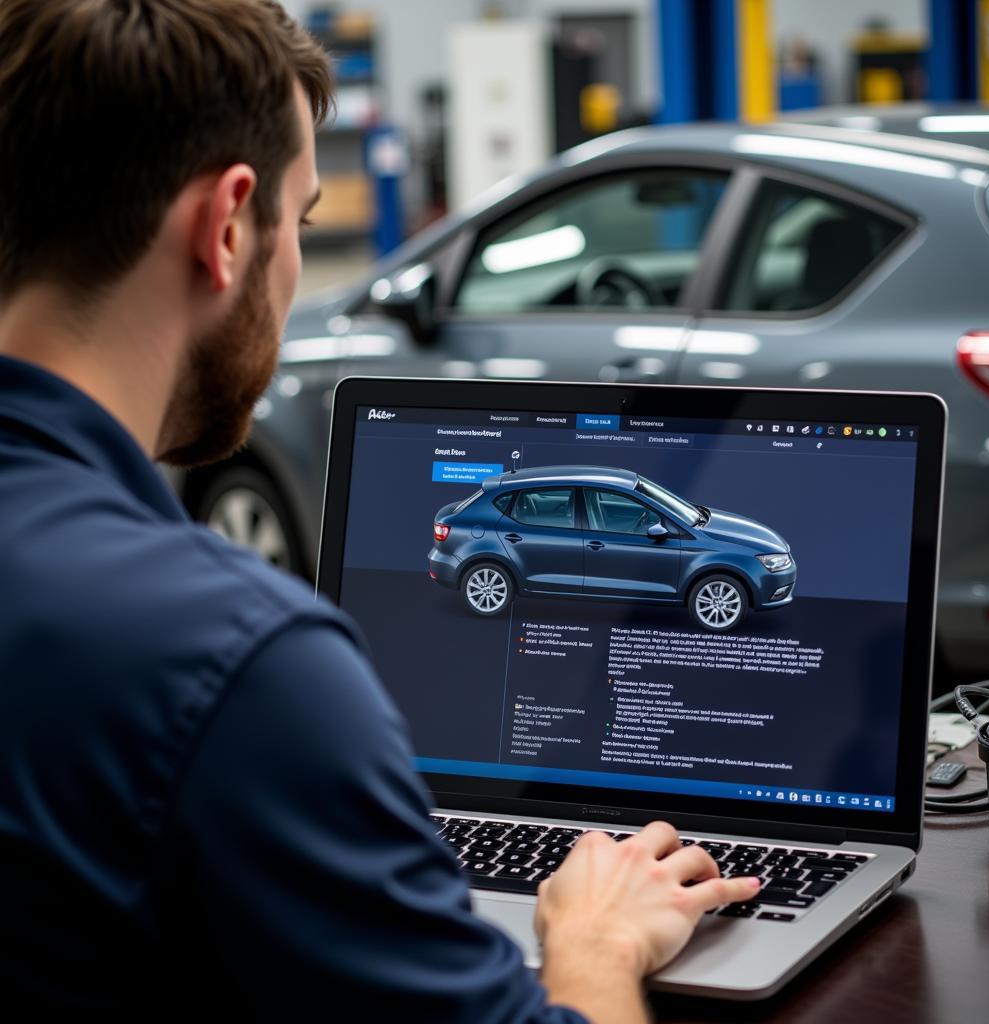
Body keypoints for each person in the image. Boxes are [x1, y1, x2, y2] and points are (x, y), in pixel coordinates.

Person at [0, 1, 759, 1017]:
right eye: (300, 218)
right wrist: (597, 942)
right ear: (227, 225)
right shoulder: (235, 666)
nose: (298, 260)